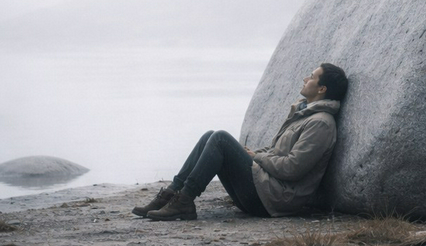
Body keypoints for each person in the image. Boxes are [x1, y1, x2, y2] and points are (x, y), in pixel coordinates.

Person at [132, 62, 348, 221]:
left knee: (220, 138)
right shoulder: (305, 115)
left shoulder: (321, 124)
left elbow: (292, 168)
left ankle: (184, 201)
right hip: (265, 191)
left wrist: (256, 157)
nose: (305, 79)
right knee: (210, 135)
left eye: (311, 77)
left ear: (322, 89)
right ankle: (171, 194)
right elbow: (276, 150)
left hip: (275, 199)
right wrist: (252, 154)